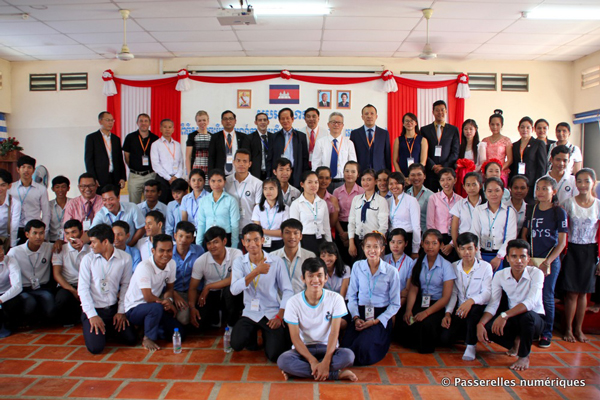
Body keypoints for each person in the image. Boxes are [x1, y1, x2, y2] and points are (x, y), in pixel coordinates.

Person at [277, 257, 357, 382]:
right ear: (303, 278)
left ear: (326, 277)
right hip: (304, 350)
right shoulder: (293, 302)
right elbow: (295, 338)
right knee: (283, 360)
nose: (315, 280)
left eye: (319, 275)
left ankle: (301, 372)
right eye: (310, 276)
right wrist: (313, 361)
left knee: (348, 356)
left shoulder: (336, 299)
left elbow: (334, 333)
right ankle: (334, 374)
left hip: (327, 347)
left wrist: (326, 360)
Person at [477, 239, 545, 371]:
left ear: (528, 259)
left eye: (522, 257)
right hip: (513, 317)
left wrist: (505, 315)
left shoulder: (537, 273)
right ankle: (515, 343)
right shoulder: (500, 275)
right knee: (489, 329)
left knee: (528, 317)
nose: (518, 261)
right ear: (507, 258)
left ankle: (524, 356)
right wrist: (481, 323)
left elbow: (530, 303)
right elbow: (493, 303)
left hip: (535, 319)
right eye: (514, 256)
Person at [230, 224, 294, 362]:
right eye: (248, 240)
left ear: (263, 240)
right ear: (243, 242)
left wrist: (280, 316)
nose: (252, 244)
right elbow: (234, 290)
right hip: (250, 312)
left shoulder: (276, 261)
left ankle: (267, 334)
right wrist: (255, 272)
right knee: (236, 344)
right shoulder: (239, 262)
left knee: (274, 355)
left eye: (256, 240)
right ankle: (253, 333)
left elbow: (288, 290)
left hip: (271, 312)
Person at [521, 176, 567, 348]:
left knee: (547, 296)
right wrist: (529, 258)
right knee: (531, 294)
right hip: (532, 260)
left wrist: (548, 261)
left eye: (545, 188)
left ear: (553, 192)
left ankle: (547, 333)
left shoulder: (558, 212)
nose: (540, 192)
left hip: (549, 261)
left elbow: (561, 242)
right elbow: (525, 234)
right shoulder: (532, 210)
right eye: (538, 188)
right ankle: (534, 328)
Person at [341, 232, 400, 365]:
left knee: (363, 348)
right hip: (360, 314)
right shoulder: (357, 266)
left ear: (382, 248)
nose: (371, 250)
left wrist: (375, 322)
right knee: (346, 347)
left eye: (376, 246)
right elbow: (352, 296)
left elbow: (395, 304)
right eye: (368, 246)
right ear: (363, 248)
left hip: (380, 316)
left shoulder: (391, 271)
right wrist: (355, 317)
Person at [78, 224, 136, 354]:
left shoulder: (125, 258)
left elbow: (126, 285)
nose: (91, 245)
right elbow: (83, 289)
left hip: (113, 308)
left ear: (105, 242)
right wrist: (92, 315)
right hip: (95, 309)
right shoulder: (88, 259)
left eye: (93, 242)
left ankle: (107, 330)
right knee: (96, 348)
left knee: (131, 339)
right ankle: (93, 327)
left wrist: (121, 311)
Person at [400, 229, 456, 354]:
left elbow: (446, 297)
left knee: (425, 324)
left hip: (437, 304)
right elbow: (414, 288)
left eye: (434, 243)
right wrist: (408, 309)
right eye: (427, 243)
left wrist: (426, 313)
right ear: (422, 244)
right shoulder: (417, 262)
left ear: (441, 245)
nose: (430, 247)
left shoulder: (446, 266)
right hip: (421, 301)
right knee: (406, 320)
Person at [560, 168, 599, 343]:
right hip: (572, 249)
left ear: (593, 183)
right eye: (579, 181)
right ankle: (568, 328)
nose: (583, 185)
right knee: (571, 293)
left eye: (586, 181)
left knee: (584, 292)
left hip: (590, 250)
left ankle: (578, 328)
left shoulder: (598, 205)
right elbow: (561, 231)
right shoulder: (568, 203)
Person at [124, 234, 181, 352]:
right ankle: (148, 337)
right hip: (135, 308)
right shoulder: (144, 266)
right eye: (161, 251)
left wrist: (169, 301)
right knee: (155, 308)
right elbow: (148, 297)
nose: (165, 254)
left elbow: (170, 288)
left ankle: (148, 328)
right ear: (153, 251)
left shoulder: (172, 264)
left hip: (157, 304)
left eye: (169, 250)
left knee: (180, 333)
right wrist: (164, 303)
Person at [441, 233, 493, 361]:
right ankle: (468, 334)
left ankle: (471, 345)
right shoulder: (454, 266)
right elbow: (453, 293)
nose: (466, 252)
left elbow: (487, 294)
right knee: (445, 339)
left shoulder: (485, 267)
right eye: (462, 248)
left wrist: (471, 301)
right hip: (460, 310)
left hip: (477, 308)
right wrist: (448, 313)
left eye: (470, 248)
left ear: (476, 249)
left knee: (473, 310)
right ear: (458, 249)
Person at [189, 226, 244, 330]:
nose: (212, 246)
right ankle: (218, 315)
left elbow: (234, 278)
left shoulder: (236, 254)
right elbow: (192, 287)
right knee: (201, 323)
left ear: (224, 241)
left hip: (230, 292)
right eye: (209, 243)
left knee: (231, 291)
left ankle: (231, 325)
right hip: (212, 294)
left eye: (215, 242)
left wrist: (208, 286)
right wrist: (192, 308)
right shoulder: (201, 261)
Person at [8, 219, 54, 326]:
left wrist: (60, 242)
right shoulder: (15, 252)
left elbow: (65, 246)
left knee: (50, 304)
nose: (38, 237)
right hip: (23, 289)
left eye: (41, 233)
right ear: (27, 234)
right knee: (30, 302)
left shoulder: (49, 247)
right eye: (35, 233)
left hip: (41, 287)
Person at [471, 177, 517, 271]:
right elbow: (475, 234)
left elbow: (511, 237)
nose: (493, 194)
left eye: (497, 190)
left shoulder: (509, 211)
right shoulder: (478, 210)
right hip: (481, 254)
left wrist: (499, 257)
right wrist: (479, 258)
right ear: (485, 192)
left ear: (503, 192)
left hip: (502, 256)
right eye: (490, 191)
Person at [52, 219, 90, 326]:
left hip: (86, 284)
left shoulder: (90, 249)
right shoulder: (60, 250)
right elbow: (57, 274)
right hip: (67, 285)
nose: (70, 236)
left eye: (74, 232)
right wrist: (73, 290)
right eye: (67, 233)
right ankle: (69, 320)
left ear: (81, 232)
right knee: (62, 298)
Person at [348, 169, 389, 260]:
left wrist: (375, 244)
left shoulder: (381, 201)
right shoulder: (356, 199)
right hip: (357, 240)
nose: (365, 182)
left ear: (375, 181)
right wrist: (351, 242)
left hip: (373, 242)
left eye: (369, 179)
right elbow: (351, 222)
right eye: (363, 179)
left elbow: (383, 226)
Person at [9, 155, 50, 244]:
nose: (26, 170)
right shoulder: (11, 188)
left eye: (29, 167)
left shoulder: (41, 189)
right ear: (18, 169)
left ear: (34, 170)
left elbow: (46, 213)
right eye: (23, 167)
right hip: (16, 229)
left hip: (34, 230)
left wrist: (44, 234)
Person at [420, 100, 460, 191]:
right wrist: (433, 166)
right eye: (437, 110)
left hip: (447, 171)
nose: (440, 112)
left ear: (446, 111)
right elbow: (423, 151)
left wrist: (444, 167)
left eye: (442, 110)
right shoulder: (425, 130)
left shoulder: (453, 130)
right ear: (433, 112)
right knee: (430, 199)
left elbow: (455, 151)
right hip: (431, 171)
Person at [312, 112, 357, 192]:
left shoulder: (349, 143)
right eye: (333, 122)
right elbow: (316, 164)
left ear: (342, 125)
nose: (336, 125)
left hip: (343, 182)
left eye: (339, 123)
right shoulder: (320, 142)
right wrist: (316, 181)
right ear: (328, 124)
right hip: (324, 182)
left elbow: (353, 165)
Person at [196, 169, 240, 249]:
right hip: (208, 238)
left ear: (224, 181)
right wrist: (198, 244)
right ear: (209, 182)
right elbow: (201, 223)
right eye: (213, 181)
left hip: (225, 238)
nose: (216, 184)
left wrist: (234, 246)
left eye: (219, 181)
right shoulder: (203, 200)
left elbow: (234, 225)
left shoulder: (231, 200)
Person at [170, 221, 203, 326]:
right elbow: (162, 279)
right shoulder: (168, 252)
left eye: (188, 237)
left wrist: (198, 293)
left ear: (192, 239)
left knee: (187, 318)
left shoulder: (199, 251)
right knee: (182, 318)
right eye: (180, 236)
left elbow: (202, 275)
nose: (183, 240)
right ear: (175, 236)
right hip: (173, 291)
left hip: (191, 292)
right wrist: (174, 295)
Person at [290, 171, 332, 254]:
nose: (314, 185)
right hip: (305, 240)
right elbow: (294, 229)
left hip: (321, 239)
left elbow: (326, 226)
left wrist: (330, 244)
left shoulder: (322, 203)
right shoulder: (296, 204)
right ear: (302, 184)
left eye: (316, 182)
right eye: (309, 182)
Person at [267, 108, 309, 188]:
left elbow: (304, 158)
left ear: (292, 119)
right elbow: (270, 158)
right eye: (282, 119)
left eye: (287, 118)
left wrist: (304, 176)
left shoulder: (301, 136)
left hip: (296, 172)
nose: (285, 121)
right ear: (279, 120)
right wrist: (269, 175)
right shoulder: (274, 137)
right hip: (279, 173)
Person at [271, 218, 316, 295]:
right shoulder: (272, 257)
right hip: (279, 303)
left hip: (302, 302)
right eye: (287, 233)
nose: (292, 236)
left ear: (301, 236)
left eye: (295, 233)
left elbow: (313, 282)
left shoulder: (310, 256)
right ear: (281, 235)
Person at [426, 168, 462, 262]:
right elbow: (430, 223)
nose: (446, 183)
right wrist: (439, 242)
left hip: (455, 238)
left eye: (449, 179)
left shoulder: (460, 200)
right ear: (439, 182)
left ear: (455, 180)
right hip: (438, 238)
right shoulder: (433, 198)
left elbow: (462, 224)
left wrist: (452, 244)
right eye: (442, 180)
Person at [84, 111, 127, 190]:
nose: (110, 123)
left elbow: (120, 159)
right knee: (100, 201)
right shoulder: (92, 138)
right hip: (100, 178)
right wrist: (93, 178)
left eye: (112, 120)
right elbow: (88, 160)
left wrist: (122, 177)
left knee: (114, 200)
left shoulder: (116, 139)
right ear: (100, 121)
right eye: (108, 120)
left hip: (115, 178)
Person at [225, 149, 263, 237]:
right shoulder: (226, 181)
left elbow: (257, 208)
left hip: (249, 228)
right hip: (229, 228)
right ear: (233, 162)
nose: (241, 164)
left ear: (250, 164)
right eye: (238, 161)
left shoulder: (258, 183)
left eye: (245, 161)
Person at [122, 113, 159, 204]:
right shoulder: (130, 137)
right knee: (134, 205)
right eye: (141, 121)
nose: (143, 123)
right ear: (137, 123)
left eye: (146, 121)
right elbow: (126, 156)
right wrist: (134, 167)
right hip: (135, 176)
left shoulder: (155, 138)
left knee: (150, 203)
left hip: (150, 175)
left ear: (149, 123)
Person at [333, 161, 364, 266]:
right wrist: (342, 233)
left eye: (353, 171)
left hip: (357, 227)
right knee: (341, 259)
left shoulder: (362, 192)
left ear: (358, 174)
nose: (349, 174)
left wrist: (350, 234)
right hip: (340, 227)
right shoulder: (336, 191)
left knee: (355, 258)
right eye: (347, 171)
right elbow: (335, 214)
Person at [510, 117, 547, 202]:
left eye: (528, 127)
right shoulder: (515, 145)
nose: (525, 130)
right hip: (517, 183)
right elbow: (513, 165)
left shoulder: (538, 144)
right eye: (522, 127)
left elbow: (542, 167)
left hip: (532, 183)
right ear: (518, 129)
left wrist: (538, 186)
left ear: (532, 129)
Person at [208, 110, 254, 177]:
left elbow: (247, 157)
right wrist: (211, 175)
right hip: (220, 175)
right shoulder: (215, 137)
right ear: (222, 122)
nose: (228, 121)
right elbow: (211, 157)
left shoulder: (243, 137)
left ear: (235, 121)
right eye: (225, 119)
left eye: (230, 119)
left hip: (238, 174)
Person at [150, 119, 185, 204]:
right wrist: (169, 178)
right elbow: (156, 165)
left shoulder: (177, 144)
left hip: (176, 179)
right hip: (163, 179)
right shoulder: (155, 144)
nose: (167, 129)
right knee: (163, 204)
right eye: (165, 127)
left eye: (170, 127)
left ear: (173, 129)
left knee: (177, 203)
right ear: (160, 129)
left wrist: (176, 176)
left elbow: (181, 163)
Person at [350, 104, 391, 173]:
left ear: (376, 116)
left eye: (372, 113)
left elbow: (387, 156)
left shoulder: (384, 133)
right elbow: (353, 155)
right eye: (366, 114)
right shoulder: (355, 134)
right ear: (362, 117)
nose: (369, 116)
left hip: (379, 172)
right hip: (361, 172)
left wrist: (388, 173)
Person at [388, 171, 421, 257]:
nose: (394, 186)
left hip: (407, 238)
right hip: (392, 239)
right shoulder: (388, 201)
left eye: (397, 183)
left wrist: (415, 249)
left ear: (403, 184)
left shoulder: (411, 200)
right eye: (391, 184)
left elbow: (416, 226)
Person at [252, 177, 289, 252]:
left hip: (279, 243)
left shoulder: (285, 208)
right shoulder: (258, 208)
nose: (268, 192)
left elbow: (284, 232)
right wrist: (274, 232)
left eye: (271, 188)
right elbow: (256, 231)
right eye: (265, 189)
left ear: (278, 190)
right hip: (261, 242)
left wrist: (263, 231)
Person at [450, 172, 483, 253]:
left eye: (474, 184)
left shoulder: (486, 204)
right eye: (468, 185)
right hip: (464, 245)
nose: (471, 188)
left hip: (482, 245)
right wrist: (457, 247)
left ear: (480, 186)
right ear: (464, 187)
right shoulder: (459, 204)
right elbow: (454, 229)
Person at [480, 110, 513, 187]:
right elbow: (482, 159)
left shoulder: (506, 140)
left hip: (501, 172)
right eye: (492, 124)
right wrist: (488, 171)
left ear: (502, 125)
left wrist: (499, 169)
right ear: (489, 125)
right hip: (488, 173)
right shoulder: (484, 140)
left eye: (497, 124)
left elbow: (510, 160)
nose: (495, 127)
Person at [383, 229, 416, 305]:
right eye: (392, 242)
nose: (395, 246)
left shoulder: (410, 263)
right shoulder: (383, 260)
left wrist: (393, 311)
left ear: (406, 243)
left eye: (399, 242)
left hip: (400, 302)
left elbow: (407, 291)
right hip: (383, 301)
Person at [392, 112, 428, 177]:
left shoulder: (423, 140)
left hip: (417, 176)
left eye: (411, 121)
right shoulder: (398, 140)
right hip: (402, 175)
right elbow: (394, 161)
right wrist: (401, 176)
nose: (409, 123)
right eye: (407, 121)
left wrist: (415, 175)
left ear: (416, 123)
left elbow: (423, 161)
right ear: (403, 124)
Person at [0, 240, 21, 337]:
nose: (1, 253)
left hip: (7, 293)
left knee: (14, 303)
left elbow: (17, 286)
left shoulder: (10, 260)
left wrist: (1, 299)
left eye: (2, 249)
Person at [455, 119, 481, 197]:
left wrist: (472, 171)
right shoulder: (460, 146)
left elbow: (482, 163)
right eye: (465, 129)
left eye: (471, 129)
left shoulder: (480, 145)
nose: (468, 131)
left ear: (475, 130)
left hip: (475, 175)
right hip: (462, 178)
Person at [406, 163, 434, 235]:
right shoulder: (405, 193)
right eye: (412, 175)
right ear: (408, 177)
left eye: (419, 174)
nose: (416, 178)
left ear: (424, 176)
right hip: (407, 232)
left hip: (423, 233)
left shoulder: (431, 196)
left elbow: (432, 221)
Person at [185, 110, 211, 177]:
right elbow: (188, 157)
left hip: (209, 170)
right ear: (196, 122)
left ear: (208, 121)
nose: (202, 122)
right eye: (199, 121)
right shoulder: (192, 136)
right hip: (196, 169)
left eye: (204, 120)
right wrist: (189, 174)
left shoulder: (212, 136)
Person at [0, 168, 21, 250]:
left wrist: (12, 247)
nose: (0, 188)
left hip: (5, 240)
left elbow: (14, 227)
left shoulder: (15, 203)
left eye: (3, 185)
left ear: (9, 186)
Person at [249, 112, 272, 180]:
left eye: (265, 120)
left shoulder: (273, 137)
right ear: (255, 122)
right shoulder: (249, 138)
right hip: (255, 174)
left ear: (268, 122)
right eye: (260, 120)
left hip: (270, 174)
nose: (262, 122)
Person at [49, 176, 71, 243]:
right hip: (52, 240)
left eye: (63, 187)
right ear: (53, 189)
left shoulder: (73, 203)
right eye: (57, 187)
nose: (60, 190)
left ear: (68, 188)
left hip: (69, 240)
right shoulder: (48, 205)